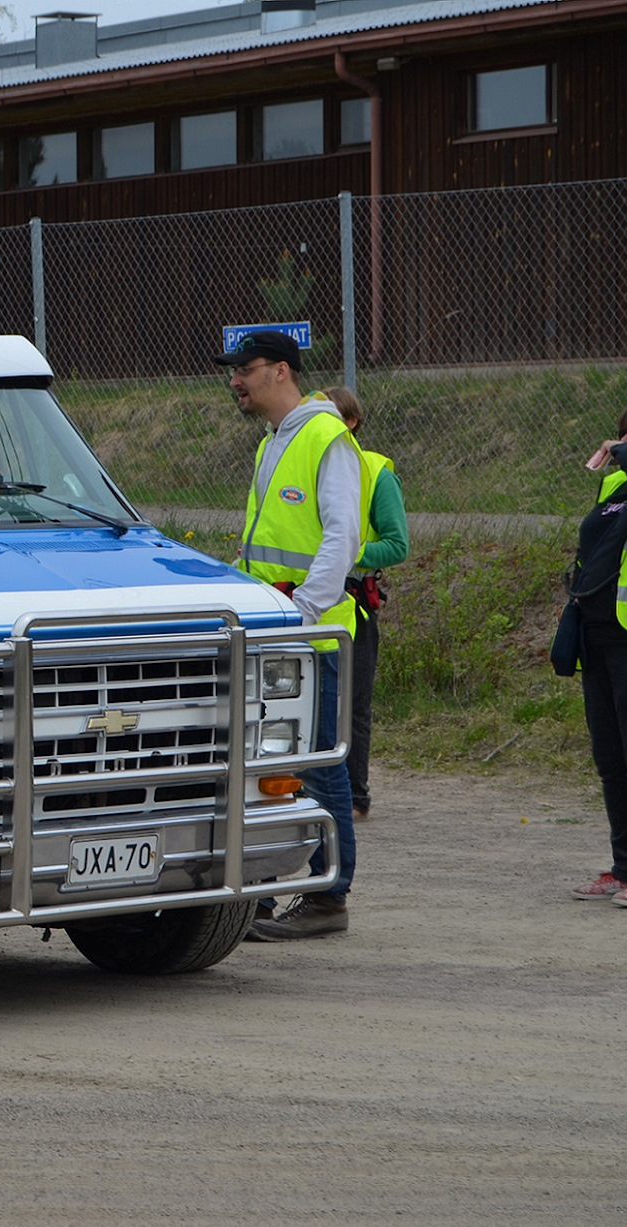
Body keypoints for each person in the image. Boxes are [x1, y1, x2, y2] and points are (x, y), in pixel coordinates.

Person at [214, 330, 360, 940]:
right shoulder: (273, 442)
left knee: (320, 764)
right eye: (232, 371)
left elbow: (342, 536)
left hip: (310, 636)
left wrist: (302, 612)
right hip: (270, 635)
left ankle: (330, 897)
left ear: (280, 371)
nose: (234, 381)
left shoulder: (327, 438)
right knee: (269, 764)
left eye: (243, 369)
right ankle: (271, 890)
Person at [570, 401, 627, 908]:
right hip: (599, 634)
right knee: (611, 758)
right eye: (620, 433)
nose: (623, 443)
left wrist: (621, 450)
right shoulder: (617, 488)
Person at [324, 386, 410, 820]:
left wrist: (347, 554)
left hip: (353, 602)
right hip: (310, 602)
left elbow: (397, 545)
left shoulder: (376, 472)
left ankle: (356, 797)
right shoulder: (308, 467)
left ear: (352, 422)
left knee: (353, 704)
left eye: (332, 417)